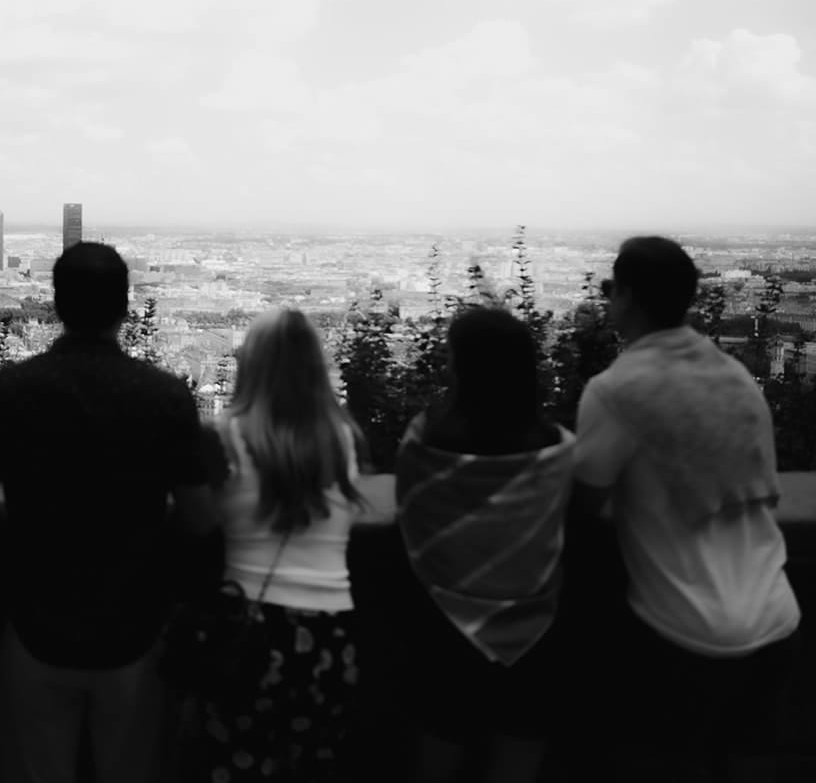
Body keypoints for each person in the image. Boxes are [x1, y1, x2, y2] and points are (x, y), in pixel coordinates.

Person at [0, 242, 220, 783]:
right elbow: (199, 520)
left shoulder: (11, 391)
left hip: (35, 620)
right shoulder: (164, 397)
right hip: (134, 626)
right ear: (124, 306)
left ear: (56, 303)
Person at [576, 237, 801, 783]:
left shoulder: (617, 391)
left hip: (684, 625)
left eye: (611, 289)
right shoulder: (736, 379)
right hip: (774, 614)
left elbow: (581, 505)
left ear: (626, 297)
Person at [393, 308, 577, 783]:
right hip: (536, 631)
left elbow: (412, 511)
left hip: (443, 628)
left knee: (435, 758)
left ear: (461, 367)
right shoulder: (554, 447)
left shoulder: (427, 443)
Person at [183, 308, 364, 783]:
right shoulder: (341, 438)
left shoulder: (223, 435)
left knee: (235, 763)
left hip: (250, 627)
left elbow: (200, 518)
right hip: (331, 629)